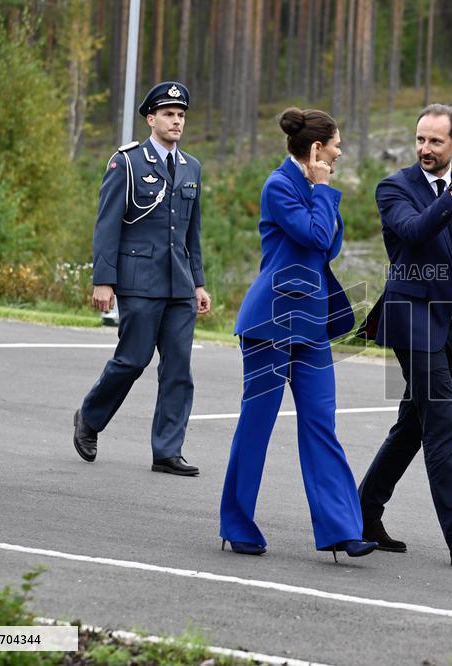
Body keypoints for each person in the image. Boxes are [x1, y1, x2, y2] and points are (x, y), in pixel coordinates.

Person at [356, 104, 452, 567]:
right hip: (412, 317)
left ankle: (362, 512)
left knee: (414, 424)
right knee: (442, 423)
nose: (425, 148)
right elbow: (415, 232)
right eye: (420, 139)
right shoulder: (395, 187)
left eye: (435, 141)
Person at [219, 108, 376, 561]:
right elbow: (314, 235)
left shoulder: (309, 188)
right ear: (316, 149)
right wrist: (323, 189)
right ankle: (236, 523)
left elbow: (329, 244)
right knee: (257, 426)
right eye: (336, 144)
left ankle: (342, 530)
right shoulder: (279, 185)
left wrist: (321, 191)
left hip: (310, 324)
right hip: (270, 321)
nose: (340, 151)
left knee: (321, 426)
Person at [72, 81, 210, 476]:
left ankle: (167, 450)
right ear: (151, 119)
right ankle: (90, 417)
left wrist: (198, 283)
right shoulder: (128, 162)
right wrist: (104, 280)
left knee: (179, 368)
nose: (176, 121)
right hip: (139, 280)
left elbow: (191, 232)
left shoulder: (192, 167)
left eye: (181, 115)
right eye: (168, 114)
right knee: (133, 360)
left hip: (179, 284)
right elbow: (107, 224)